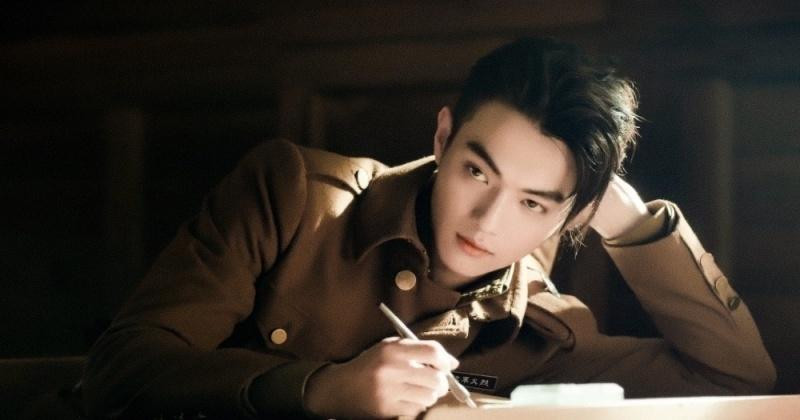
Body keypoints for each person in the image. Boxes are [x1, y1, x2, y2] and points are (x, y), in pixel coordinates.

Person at [80, 37, 775, 419]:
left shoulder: (544, 330)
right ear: (443, 137)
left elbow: (737, 380)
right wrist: (318, 390)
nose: (488, 222)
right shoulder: (296, 198)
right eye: (477, 172)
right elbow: (120, 369)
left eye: (535, 204)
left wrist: (633, 224)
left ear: (573, 213)